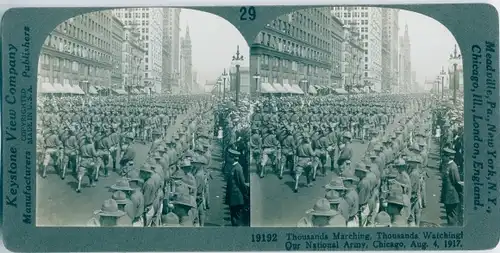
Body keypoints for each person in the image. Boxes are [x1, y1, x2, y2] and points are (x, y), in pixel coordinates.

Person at [226, 148, 249, 226]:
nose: (227, 158)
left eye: (229, 156)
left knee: (237, 219)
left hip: (237, 197)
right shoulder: (233, 167)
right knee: (233, 217)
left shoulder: (238, 168)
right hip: (233, 197)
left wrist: (245, 195)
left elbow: (242, 183)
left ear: (232, 157)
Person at [440, 148, 462, 226]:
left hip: (452, 196)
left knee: (452, 217)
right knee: (449, 216)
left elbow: (457, 182)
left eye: (444, 156)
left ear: (448, 157)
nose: (443, 157)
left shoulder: (453, 167)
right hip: (448, 196)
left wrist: (459, 194)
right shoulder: (447, 165)